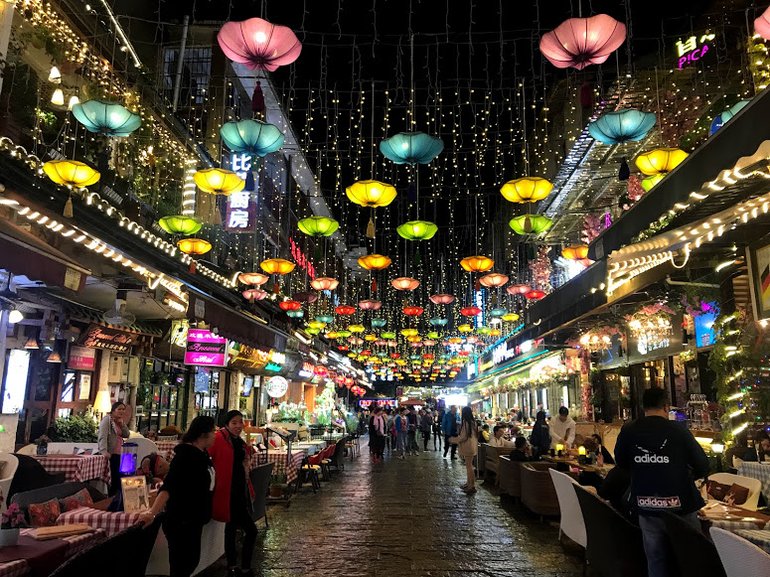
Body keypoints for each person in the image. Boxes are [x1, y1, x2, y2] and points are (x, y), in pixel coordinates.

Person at [615, 387, 709, 577]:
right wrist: (687, 476)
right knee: (692, 558)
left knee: (656, 558)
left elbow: (621, 462)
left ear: (643, 407)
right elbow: (702, 464)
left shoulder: (629, 430)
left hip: (645, 502)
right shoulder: (678, 430)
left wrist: (642, 470)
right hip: (681, 504)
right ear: (666, 407)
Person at [140, 416, 216, 577]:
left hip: (194, 519)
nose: (215, 435)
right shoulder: (185, 457)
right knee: (182, 565)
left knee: (190, 562)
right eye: (213, 432)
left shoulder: (202, 453)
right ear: (203, 434)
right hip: (182, 520)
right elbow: (169, 487)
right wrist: (152, 512)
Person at [209, 410, 258, 577]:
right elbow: (207, 458)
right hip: (225, 491)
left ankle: (237, 565)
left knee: (234, 529)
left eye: (240, 422)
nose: (238, 426)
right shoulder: (218, 439)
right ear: (227, 424)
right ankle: (238, 566)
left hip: (238, 492)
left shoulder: (238, 441)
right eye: (234, 423)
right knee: (245, 530)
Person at [98, 401, 130, 496]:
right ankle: (112, 499)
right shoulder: (107, 420)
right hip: (113, 453)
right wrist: (103, 451)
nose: (121, 411)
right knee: (114, 479)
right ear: (113, 410)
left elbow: (126, 434)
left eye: (123, 409)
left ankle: (120, 498)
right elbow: (102, 436)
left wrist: (122, 424)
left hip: (122, 453)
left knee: (122, 478)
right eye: (119, 409)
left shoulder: (120, 421)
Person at [450, 406, 478, 494]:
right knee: (469, 466)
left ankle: (471, 486)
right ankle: (469, 483)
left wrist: (453, 440)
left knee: (469, 467)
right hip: (472, 446)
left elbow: (463, 437)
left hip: (468, 446)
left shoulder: (466, 423)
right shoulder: (473, 422)